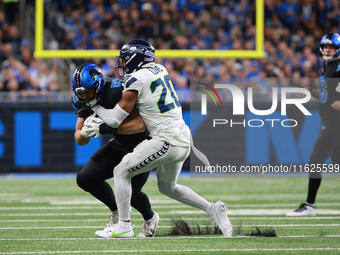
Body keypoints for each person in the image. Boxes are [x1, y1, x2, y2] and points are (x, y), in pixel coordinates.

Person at [87, 39, 233, 238]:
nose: (122, 64)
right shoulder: (160, 69)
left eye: (125, 59)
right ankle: (212, 209)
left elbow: (113, 120)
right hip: (183, 136)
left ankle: (124, 226)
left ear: (136, 59)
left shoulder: (135, 79)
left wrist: (95, 107)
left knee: (120, 171)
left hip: (166, 139)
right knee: (167, 187)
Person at [71, 63, 159, 237]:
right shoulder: (82, 99)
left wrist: (106, 128)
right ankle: (117, 213)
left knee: (132, 194)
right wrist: (85, 132)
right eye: (81, 93)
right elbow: (79, 139)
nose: (85, 96)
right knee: (85, 178)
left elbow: (139, 125)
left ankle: (150, 218)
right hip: (120, 143)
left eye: (88, 91)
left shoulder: (117, 90)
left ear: (98, 84)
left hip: (143, 145)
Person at [287, 33, 340, 216]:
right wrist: (313, 92)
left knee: (315, 159)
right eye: (325, 47)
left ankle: (309, 205)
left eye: (331, 48)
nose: (327, 50)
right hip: (329, 118)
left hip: (335, 121)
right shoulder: (325, 67)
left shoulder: (338, 66)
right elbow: (329, 95)